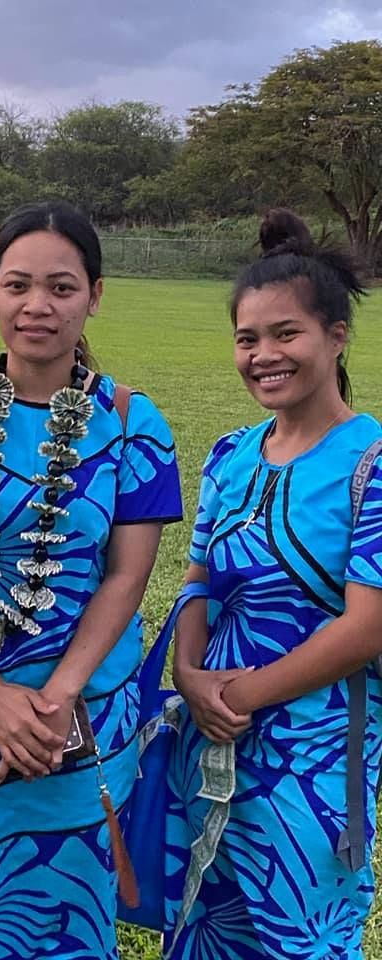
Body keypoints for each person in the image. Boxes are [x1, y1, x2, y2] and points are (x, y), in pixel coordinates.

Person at [0, 200, 183, 959]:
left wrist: (56, 699)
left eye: (61, 286)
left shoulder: (132, 422)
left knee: (69, 907)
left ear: (95, 294)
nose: (37, 306)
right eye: (18, 285)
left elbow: (127, 575)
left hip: (81, 706)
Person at [165, 209, 382, 959]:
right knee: (206, 924)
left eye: (285, 334)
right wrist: (189, 676)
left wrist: (240, 696)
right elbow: (197, 582)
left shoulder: (372, 463)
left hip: (315, 760)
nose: (263, 355)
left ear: (336, 335)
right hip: (213, 742)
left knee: (302, 939)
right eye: (247, 339)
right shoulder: (229, 455)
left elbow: (367, 628)